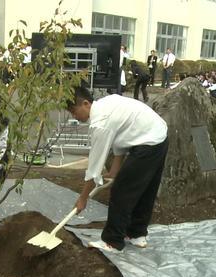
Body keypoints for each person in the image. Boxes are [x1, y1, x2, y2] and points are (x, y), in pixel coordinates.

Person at [67, 86, 168, 252]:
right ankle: (137, 234)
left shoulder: (100, 123)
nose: (74, 116)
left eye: (74, 111)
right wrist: (114, 171)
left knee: (121, 191)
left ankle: (112, 241)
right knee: (145, 190)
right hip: (159, 137)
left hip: (148, 142)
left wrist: (83, 199)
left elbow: (94, 169)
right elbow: (121, 139)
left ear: (85, 103)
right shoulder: (106, 104)